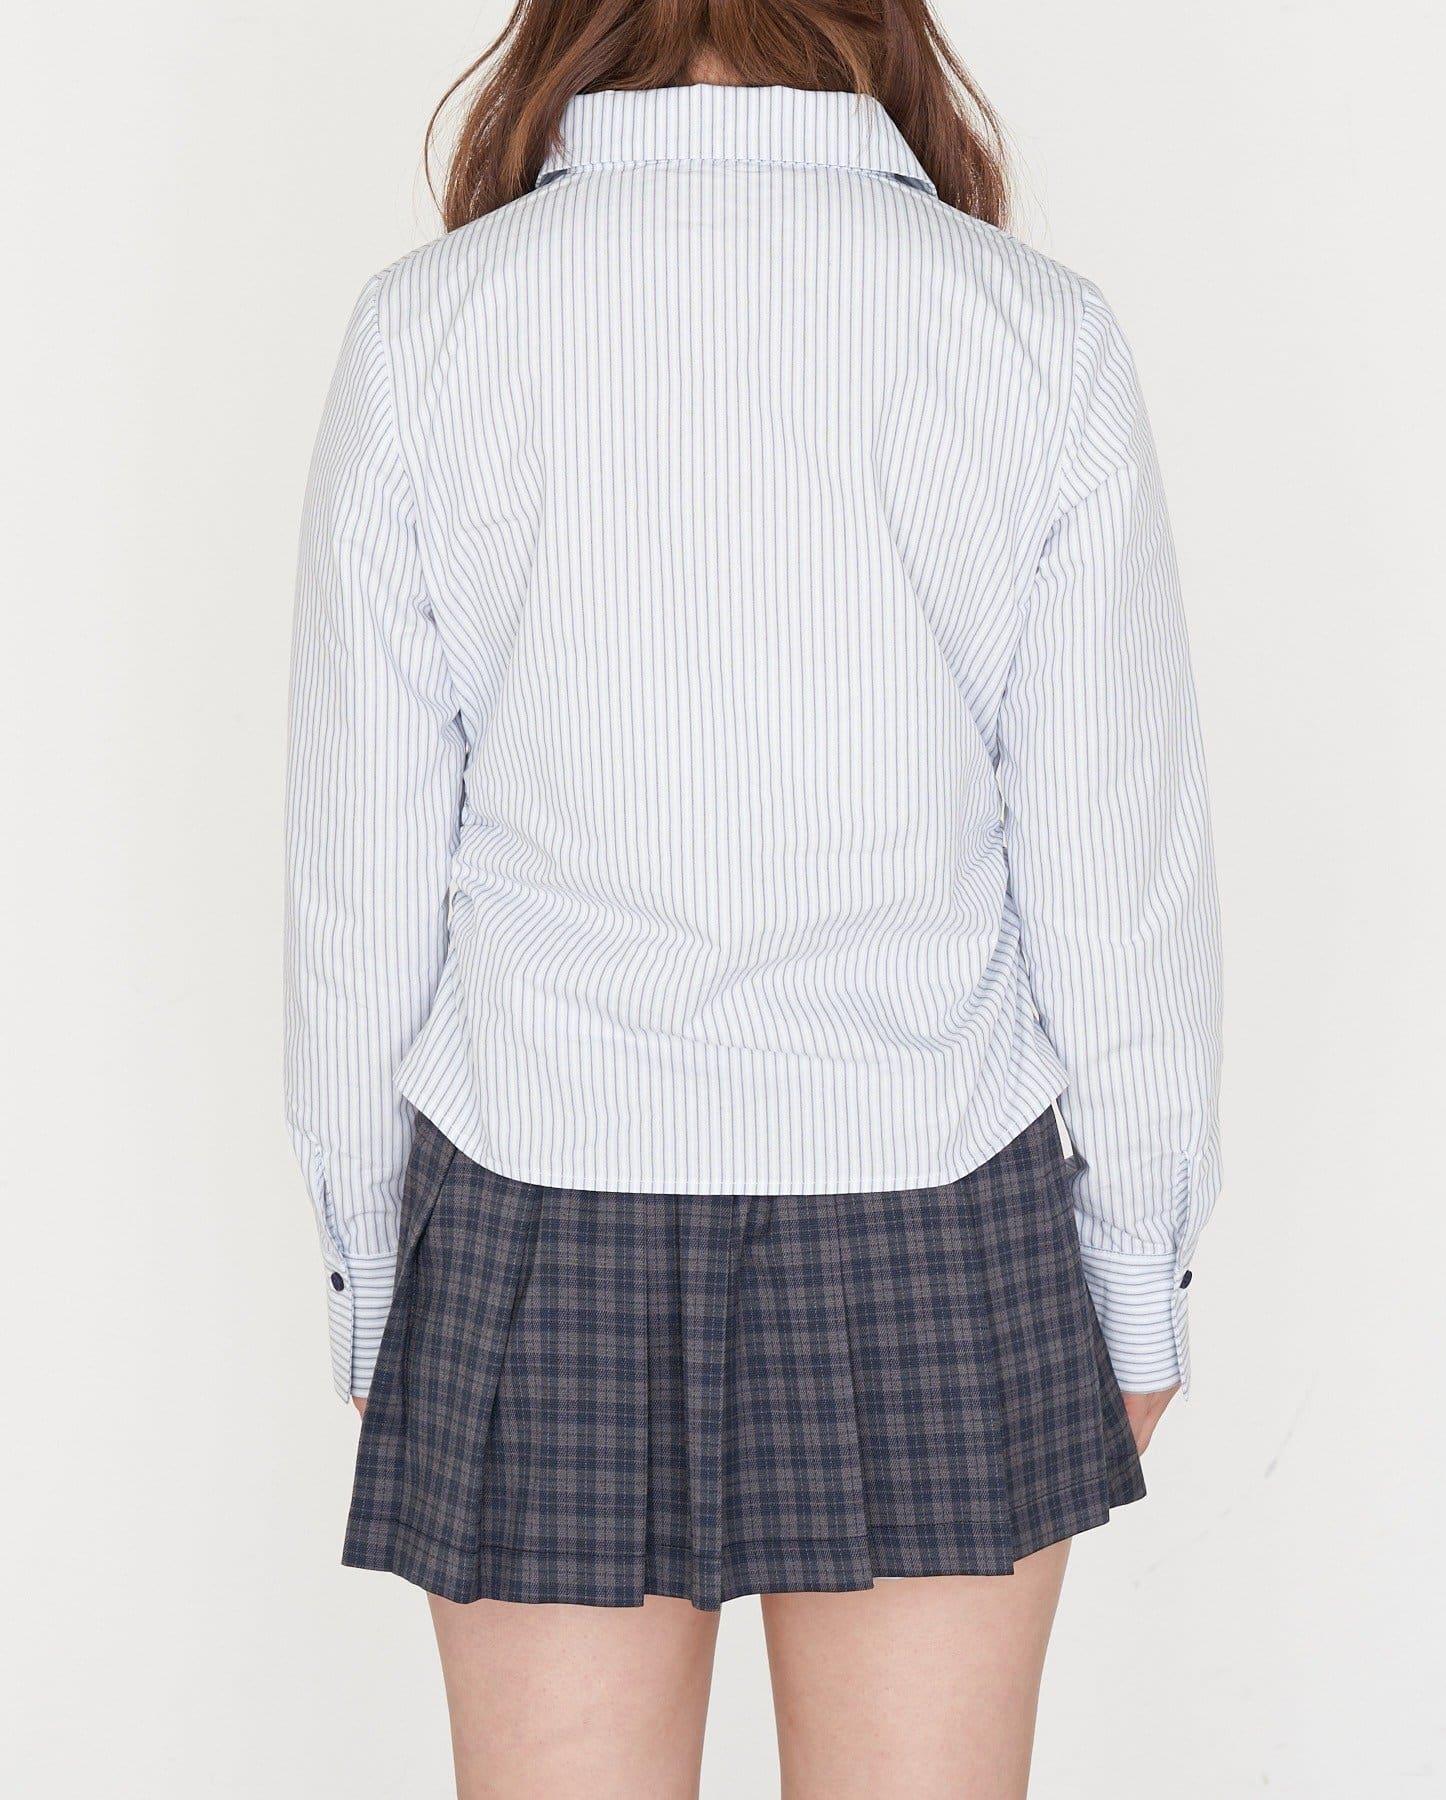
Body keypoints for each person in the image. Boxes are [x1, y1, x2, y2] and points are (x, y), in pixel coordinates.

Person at [285, 3, 1222, 1792]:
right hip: (938, 1196)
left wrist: (367, 1271)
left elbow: (359, 879)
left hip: (536, 1198)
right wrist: (1139, 1268)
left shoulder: (432, 331)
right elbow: (1119, 874)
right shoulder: (1027, 332)